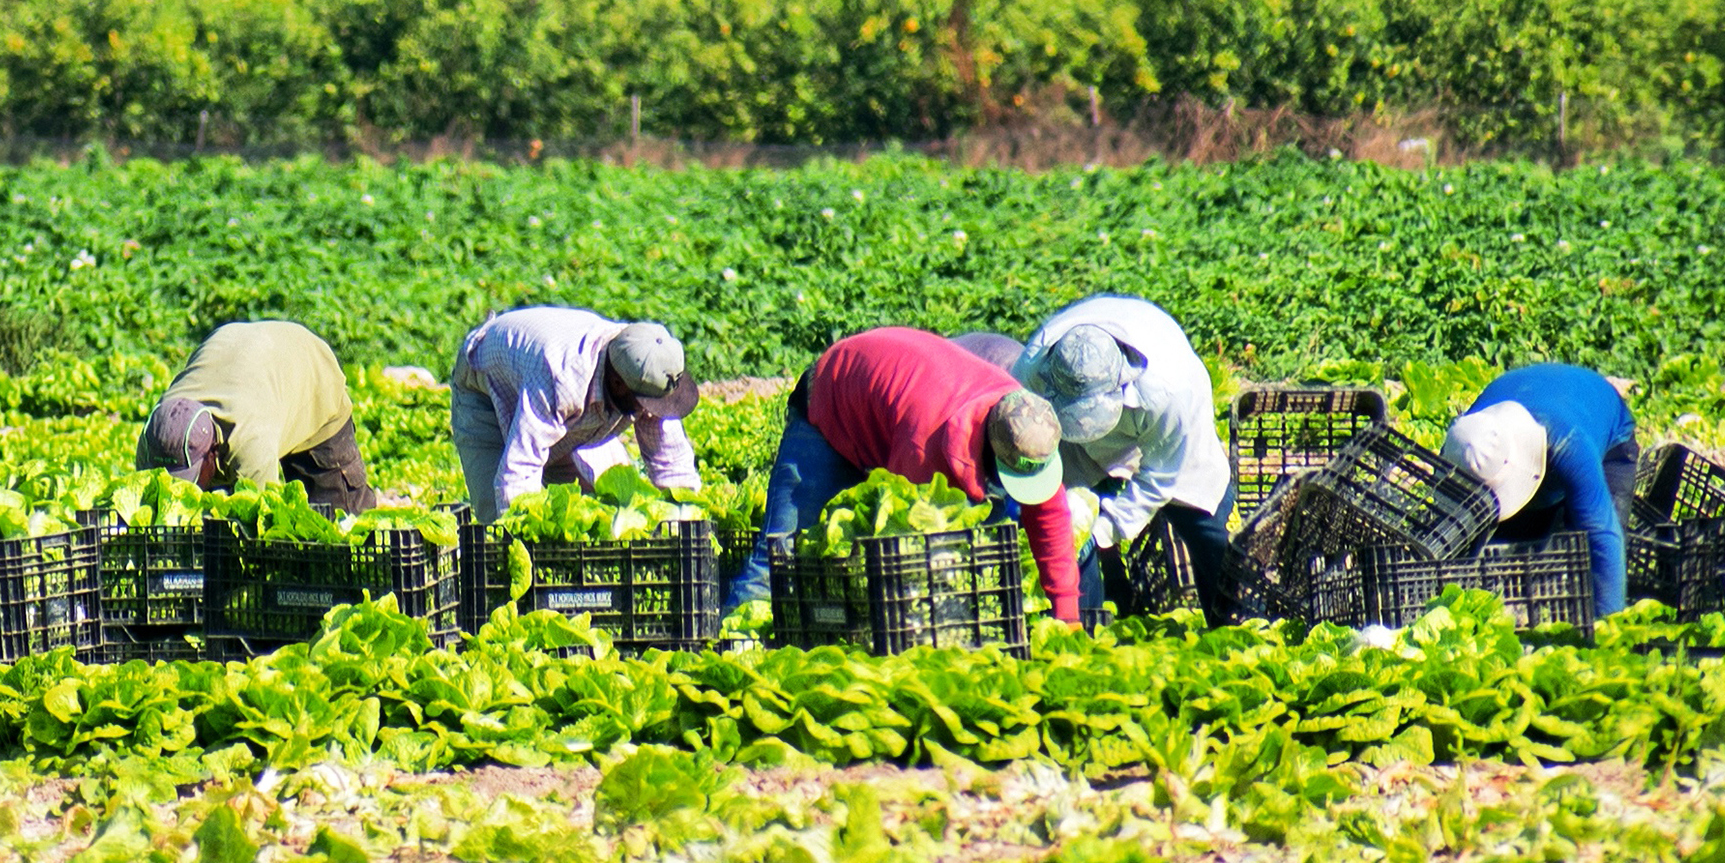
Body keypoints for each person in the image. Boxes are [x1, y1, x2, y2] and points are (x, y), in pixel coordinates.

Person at [721, 325, 1076, 623]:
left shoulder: (1031, 426)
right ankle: (738, 645)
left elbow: (1050, 518)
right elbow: (904, 549)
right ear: (987, 449)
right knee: (781, 556)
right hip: (832, 398)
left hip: (889, 402)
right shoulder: (927, 444)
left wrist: (1067, 616)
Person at [1016, 294, 1239, 624]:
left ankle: (1232, 625)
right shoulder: (1032, 371)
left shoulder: (1171, 390)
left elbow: (1162, 477)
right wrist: (1082, 531)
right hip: (1065, 440)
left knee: (1204, 522)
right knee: (1069, 528)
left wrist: (1105, 529)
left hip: (1164, 430)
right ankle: (1081, 631)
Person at [449, 306, 702, 528]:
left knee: (592, 510)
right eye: (644, 402)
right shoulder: (561, 378)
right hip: (484, 389)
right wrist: (522, 535)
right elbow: (520, 469)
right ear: (618, 382)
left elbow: (671, 460)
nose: (649, 411)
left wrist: (682, 516)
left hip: (550, 395)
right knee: (497, 518)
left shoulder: (642, 361)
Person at [1442, 363, 1639, 617]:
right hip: (1530, 390)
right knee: (1517, 546)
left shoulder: (1569, 442)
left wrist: (1609, 628)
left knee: (1593, 555)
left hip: (1605, 424)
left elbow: (1602, 533)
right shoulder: (1467, 441)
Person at [137, 320, 379, 511]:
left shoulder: (250, 441)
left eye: (189, 477)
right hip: (238, 351)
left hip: (306, 369)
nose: (179, 488)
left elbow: (262, 520)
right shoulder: (155, 433)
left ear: (212, 453)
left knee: (338, 518)